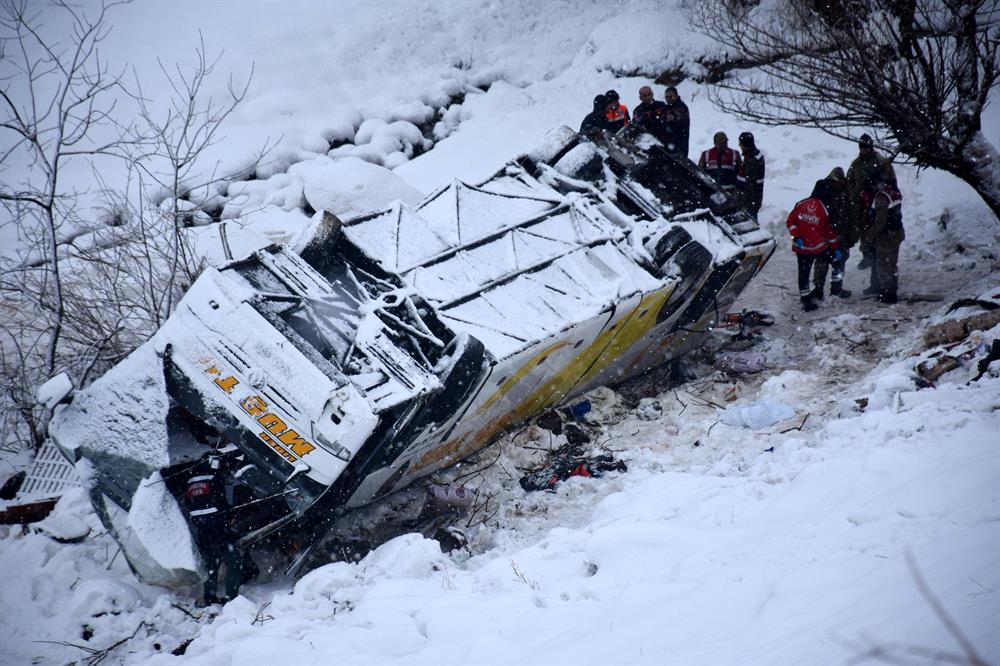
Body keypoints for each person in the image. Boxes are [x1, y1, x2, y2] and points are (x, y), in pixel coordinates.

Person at [183, 455, 243, 605]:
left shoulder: (191, 482)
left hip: (203, 530)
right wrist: (229, 515)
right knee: (234, 561)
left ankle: (209, 597)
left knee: (211, 564)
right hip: (219, 527)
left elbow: (188, 503)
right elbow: (221, 499)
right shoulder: (213, 477)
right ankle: (232, 597)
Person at [786, 189, 847, 312]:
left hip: (802, 249)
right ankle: (835, 289)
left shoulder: (801, 204)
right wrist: (835, 249)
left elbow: (790, 221)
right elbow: (830, 233)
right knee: (837, 263)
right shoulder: (825, 210)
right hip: (819, 249)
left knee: (803, 274)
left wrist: (796, 236)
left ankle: (806, 299)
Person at [846, 134, 896, 269]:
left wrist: (881, 193)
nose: (863, 150)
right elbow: (849, 180)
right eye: (861, 147)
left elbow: (891, 182)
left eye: (866, 147)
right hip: (860, 202)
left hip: (876, 201)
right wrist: (853, 194)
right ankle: (867, 255)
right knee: (862, 228)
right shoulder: (856, 163)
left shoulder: (881, 161)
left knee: (875, 227)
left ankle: (876, 258)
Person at [861, 168, 905, 304]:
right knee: (891, 263)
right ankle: (892, 289)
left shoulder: (881, 197)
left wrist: (870, 236)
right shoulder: (893, 192)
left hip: (886, 236)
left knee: (883, 265)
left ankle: (888, 294)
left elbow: (880, 221)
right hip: (897, 232)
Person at [809, 167, 852, 300]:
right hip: (830, 230)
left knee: (828, 259)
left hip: (831, 230)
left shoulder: (823, 188)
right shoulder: (826, 189)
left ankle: (825, 288)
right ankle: (829, 288)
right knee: (832, 259)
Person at [736, 131, 765, 220]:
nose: (739, 146)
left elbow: (750, 184)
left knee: (749, 222)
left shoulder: (752, 160)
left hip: (750, 200)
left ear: (746, 145)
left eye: (741, 144)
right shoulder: (753, 155)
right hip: (753, 198)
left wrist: (743, 202)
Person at [662, 86, 690, 158]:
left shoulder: (681, 106)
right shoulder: (667, 107)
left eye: (671, 97)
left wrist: (673, 119)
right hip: (670, 144)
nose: (668, 99)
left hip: (679, 145)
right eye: (667, 97)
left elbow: (682, 120)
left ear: (676, 96)